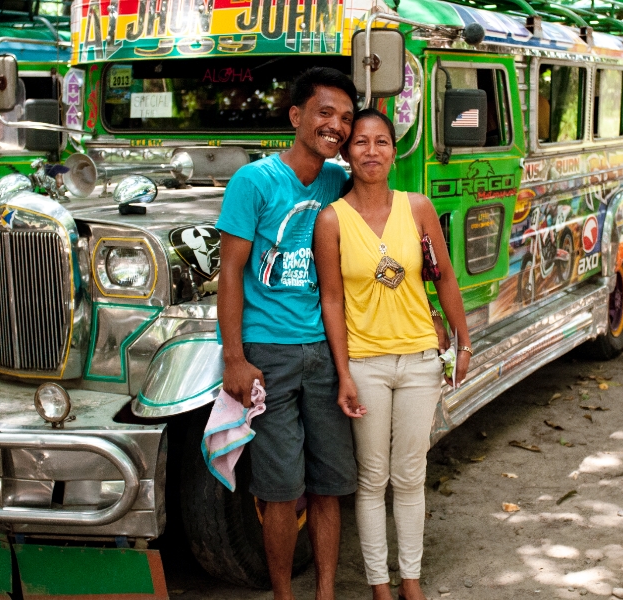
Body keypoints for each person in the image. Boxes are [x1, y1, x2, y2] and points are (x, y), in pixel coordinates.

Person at [314, 109, 472, 600]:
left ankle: (411, 579)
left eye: (381, 141)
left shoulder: (417, 207)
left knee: (409, 475)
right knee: (371, 478)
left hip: (421, 360)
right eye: (360, 142)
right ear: (346, 153)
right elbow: (332, 300)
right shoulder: (330, 220)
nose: (371, 152)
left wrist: (464, 341)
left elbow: (443, 276)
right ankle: (379, 584)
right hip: (365, 363)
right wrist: (343, 373)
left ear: (394, 150)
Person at [215, 67, 358, 600]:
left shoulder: (337, 183)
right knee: (280, 489)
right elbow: (230, 272)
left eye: (345, 118)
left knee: (329, 485)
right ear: (296, 116)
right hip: (268, 354)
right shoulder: (253, 181)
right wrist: (235, 357)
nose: (336, 126)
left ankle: (324, 592)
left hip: (324, 350)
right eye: (325, 113)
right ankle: (283, 595)